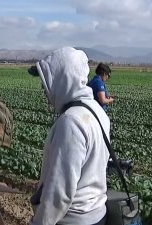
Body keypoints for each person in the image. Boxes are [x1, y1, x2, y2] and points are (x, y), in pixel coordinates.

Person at [28, 47, 110, 225]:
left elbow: (60, 191)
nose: (44, 89)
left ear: (62, 80)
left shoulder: (71, 121)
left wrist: (39, 223)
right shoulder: (97, 110)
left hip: (73, 219)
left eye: (46, 82)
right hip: (96, 212)